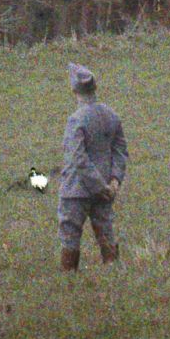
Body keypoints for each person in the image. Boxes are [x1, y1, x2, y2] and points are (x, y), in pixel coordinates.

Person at [56, 62, 126, 271]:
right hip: (105, 188)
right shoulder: (111, 115)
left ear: (74, 89)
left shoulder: (75, 120)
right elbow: (120, 150)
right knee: (106, 232)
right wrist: (113, 180)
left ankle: (69, 281)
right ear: (95, 87)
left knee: (70, 235)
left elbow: (78, 158)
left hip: (76, 190)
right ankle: (113, 272)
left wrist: (98, 185)